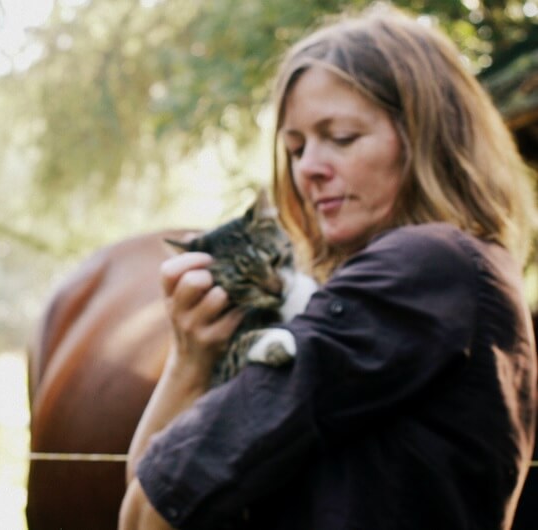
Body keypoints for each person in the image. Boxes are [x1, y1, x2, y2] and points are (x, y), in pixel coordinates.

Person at [119, 5, 538, 530]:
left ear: (424, 134)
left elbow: (150, 508)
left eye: (340, 137)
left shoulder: (424, 267)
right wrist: (191, 358)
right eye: (295, 148)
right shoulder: (444, 273)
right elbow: (152, 486)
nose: (308, 169)